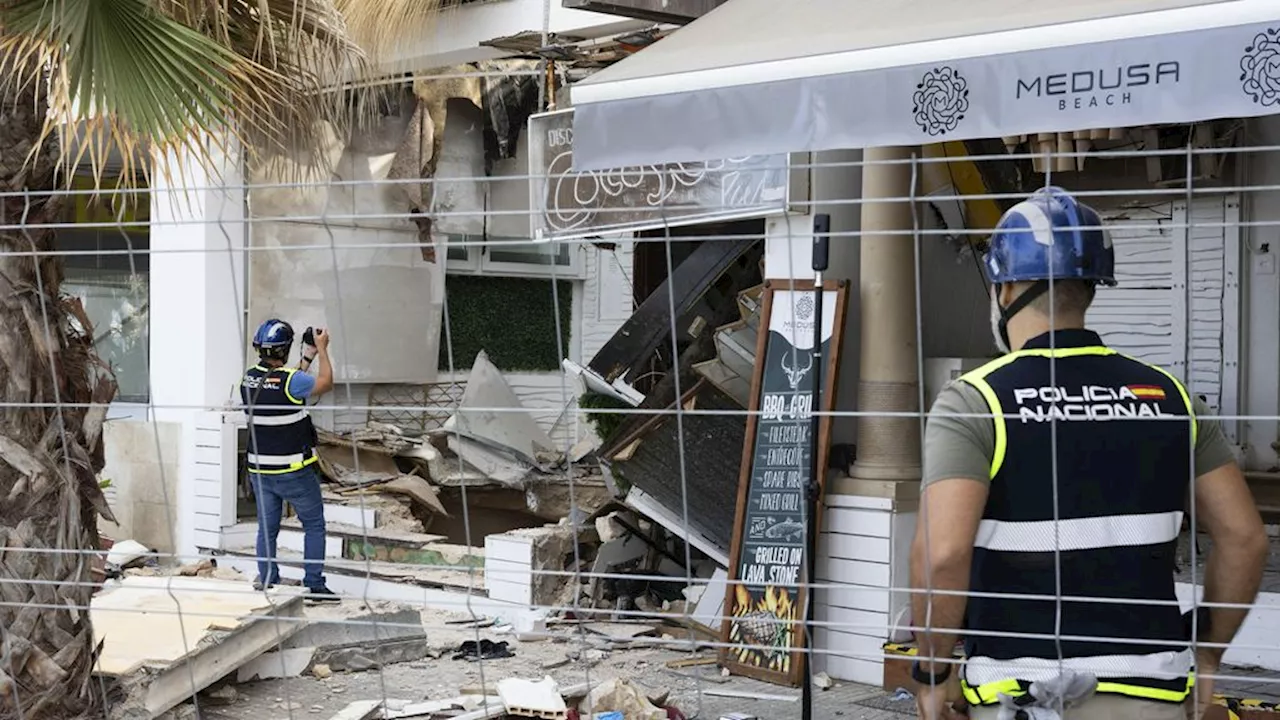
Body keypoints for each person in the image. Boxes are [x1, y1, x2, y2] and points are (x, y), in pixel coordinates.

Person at [909, 187, 1266, 720]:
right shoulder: (1170, 396)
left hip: (1020, 695)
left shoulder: (977, 400)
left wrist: (933, 670)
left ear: (1004, 290)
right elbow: (1244, 538)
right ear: (1091, 289)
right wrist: (1209, 648)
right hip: (1151, 692)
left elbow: (942, 554)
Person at [241, 318, 340, 603]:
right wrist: (321, 350)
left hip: (260, 471)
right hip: (294, 471)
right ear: (284, 350)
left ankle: (268, 580)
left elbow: (283, 387)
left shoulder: (247, 379)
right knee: (314, 525)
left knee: (267, 528)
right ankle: (314, 586)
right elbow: (325, 383)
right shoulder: (292, 381)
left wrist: (305, 357)